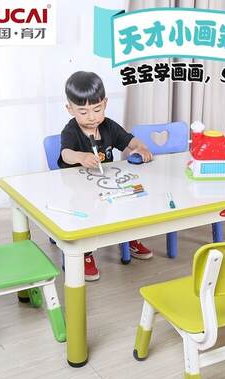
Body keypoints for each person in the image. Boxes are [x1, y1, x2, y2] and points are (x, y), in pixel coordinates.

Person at [58, 71, 153, 281]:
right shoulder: (71, 131)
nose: (91, 117)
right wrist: (81, 157)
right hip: (79, 190)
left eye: (97, 109)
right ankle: (85, 253)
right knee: (87, 213)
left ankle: (130, 238)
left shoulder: (108, 126)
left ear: (105, 104)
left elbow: (129, 140)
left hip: (107, 186)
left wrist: (140, 147)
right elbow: (65, 154)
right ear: (70, 109)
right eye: (83, 112)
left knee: (133, 199)